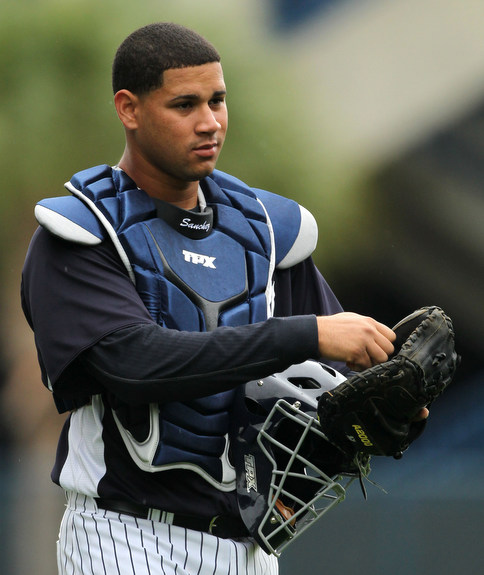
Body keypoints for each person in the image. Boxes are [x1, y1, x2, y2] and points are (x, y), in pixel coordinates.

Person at [21, 22, 398, 575]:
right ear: (129, 108)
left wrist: (392, 406)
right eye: (185, 104)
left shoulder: (267, 230)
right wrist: (306, 333)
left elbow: (338, 372)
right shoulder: (81, 232)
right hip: (127, 537)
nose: (209, 122)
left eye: (218, 100)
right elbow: (136, 363)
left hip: (252, 546)